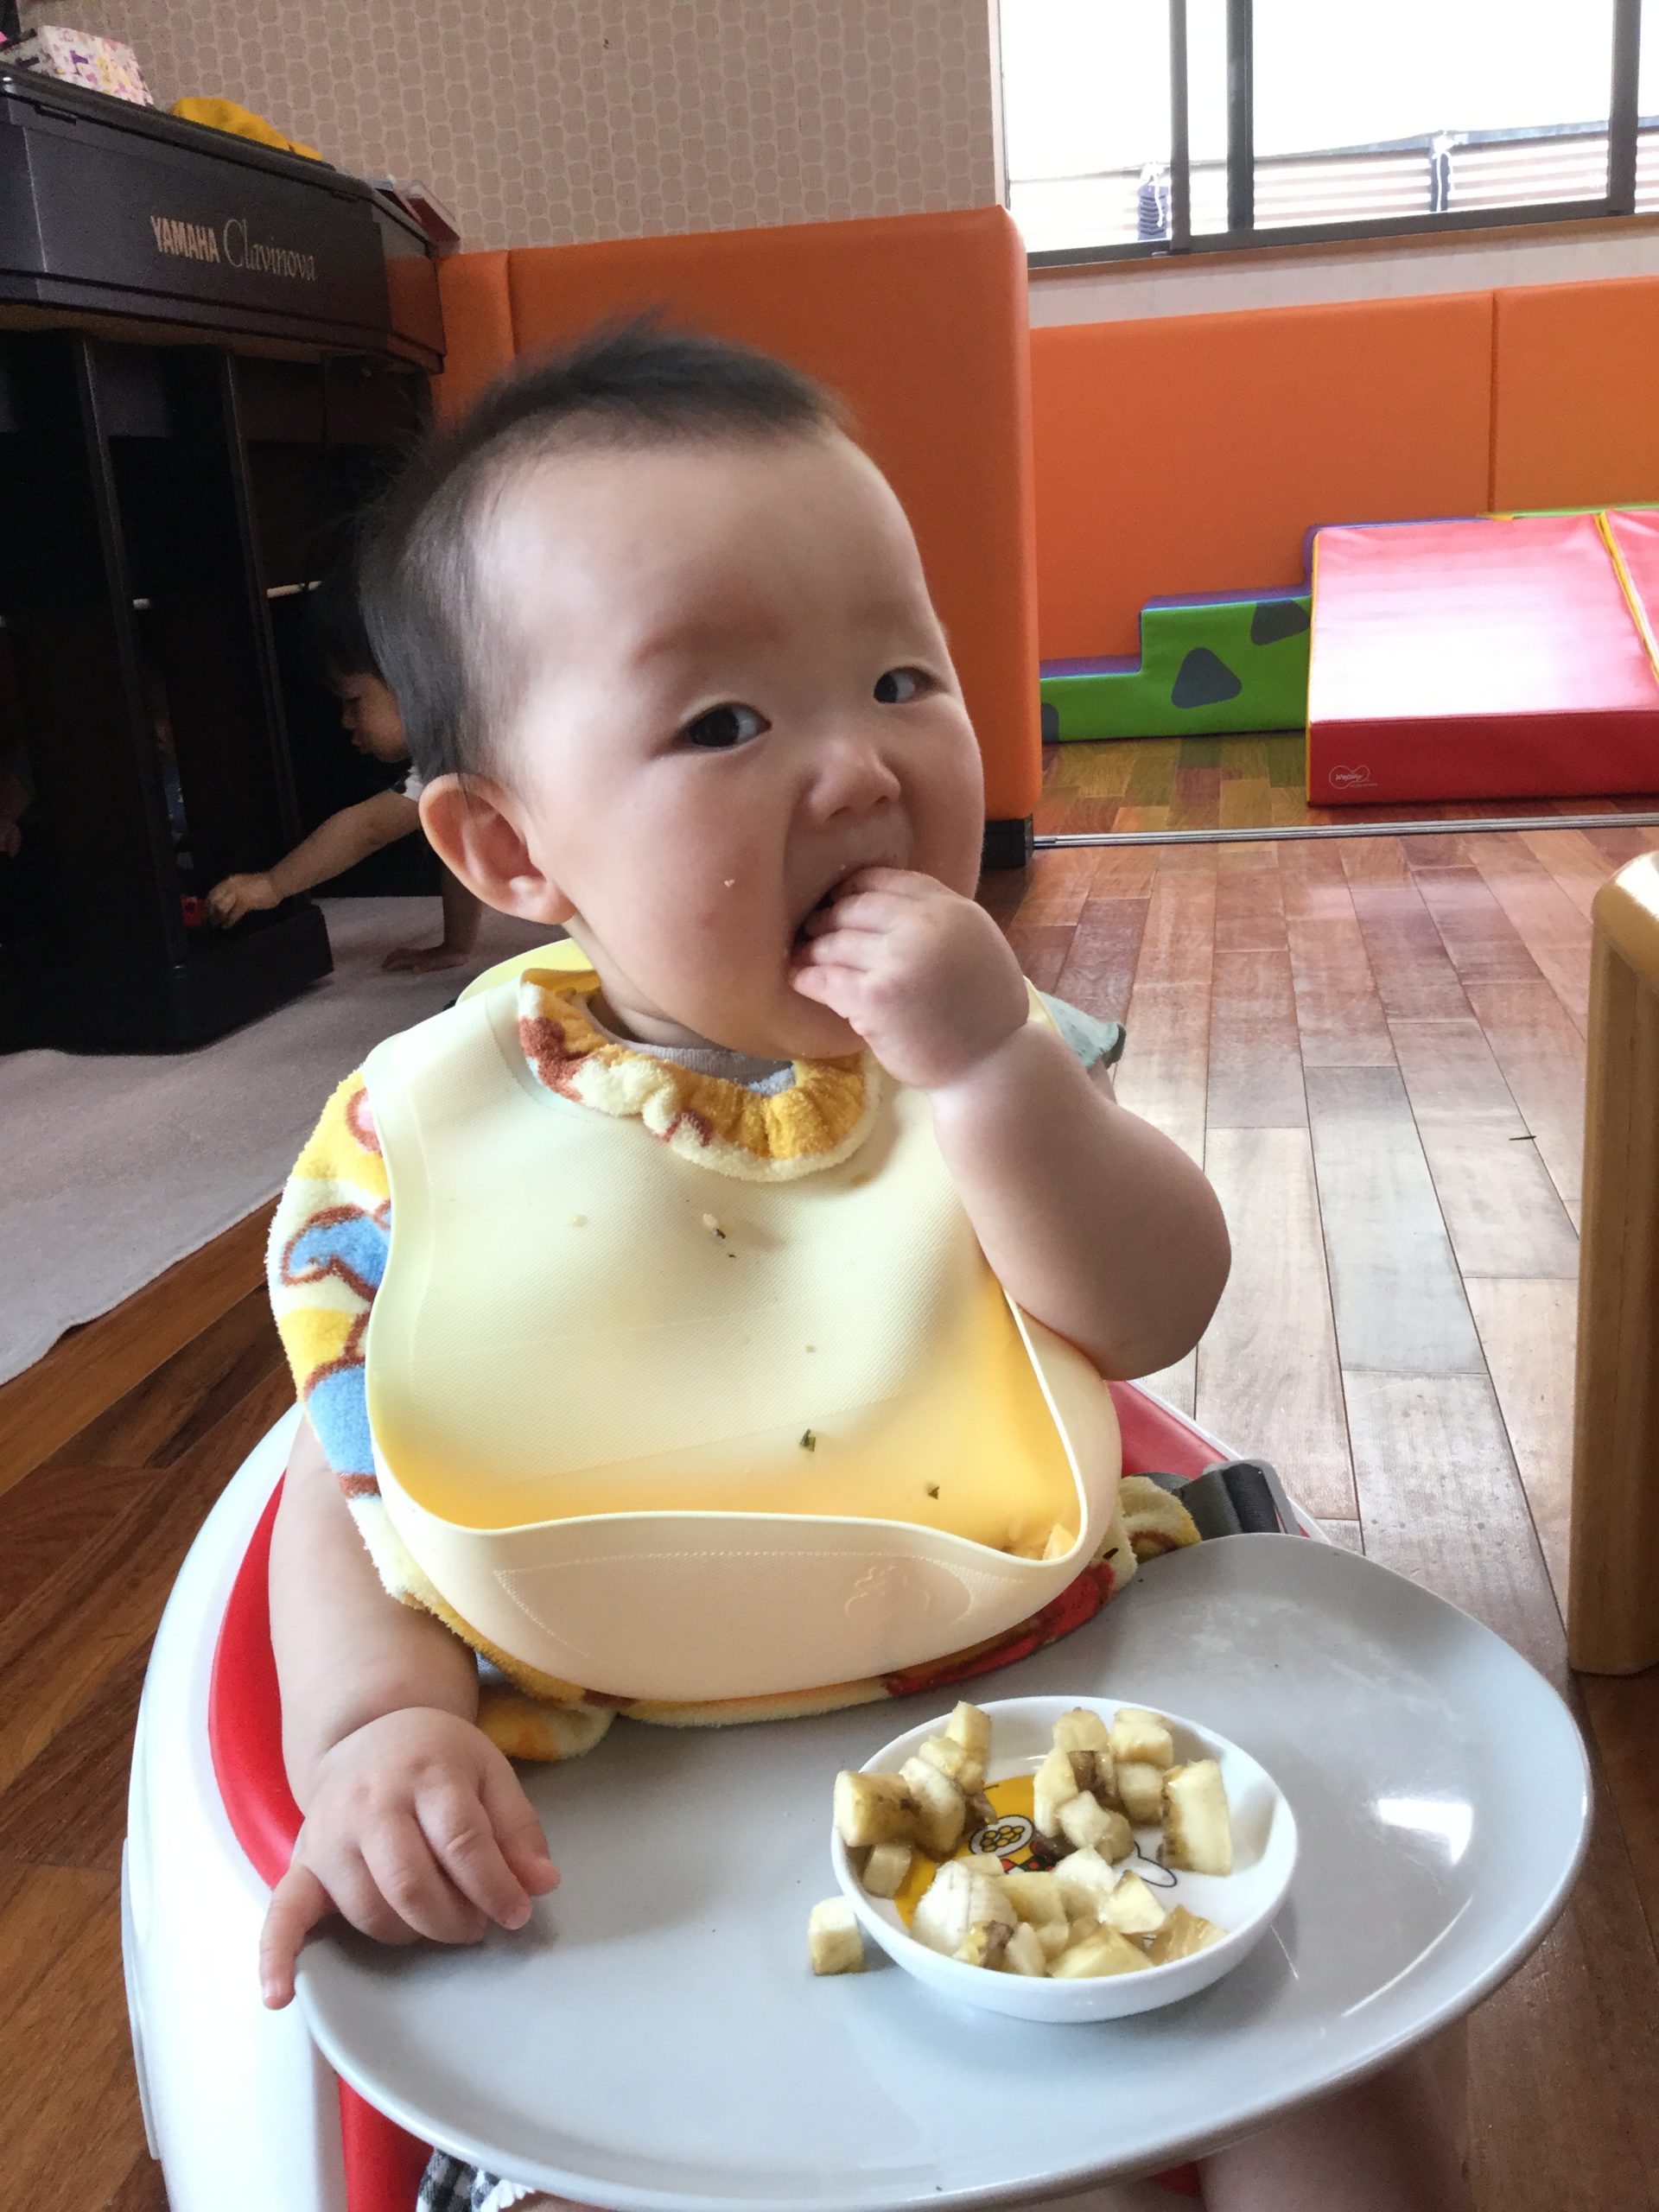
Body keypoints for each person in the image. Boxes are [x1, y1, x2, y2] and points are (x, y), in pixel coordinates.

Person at [255, 324, 1471, 2212]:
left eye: (903, 677)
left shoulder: (983, 1052)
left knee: (1336, 2088)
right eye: (722, 723)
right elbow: (362, 1465)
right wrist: (380, 1724)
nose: (856, 767)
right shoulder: (428, 1136)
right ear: (508, 842)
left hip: (1034, 1690)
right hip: (632, 1794)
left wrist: (988, 1076)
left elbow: (1151, 1305)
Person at [204, 573, 481, 973]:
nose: (347, 721)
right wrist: (456, 945)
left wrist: (273, 884)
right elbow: (464, 845)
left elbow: (367, 829)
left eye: (353, 701)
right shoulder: (454, 755)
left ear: (413, 679)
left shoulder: (473, 745)